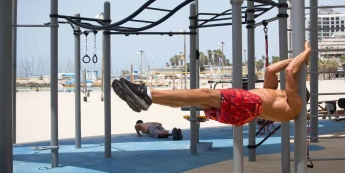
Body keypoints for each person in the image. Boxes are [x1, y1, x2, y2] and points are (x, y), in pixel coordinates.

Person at [112, 41, 312, 126]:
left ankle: (147, 93)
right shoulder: (276, 95)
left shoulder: (294, 104)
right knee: (198, 99)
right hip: (246, 109)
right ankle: (149, 100)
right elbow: (271, 70)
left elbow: (290, 72)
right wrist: (294, 57)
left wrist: (306, 53)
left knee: (205, 93)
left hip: (249, 104)